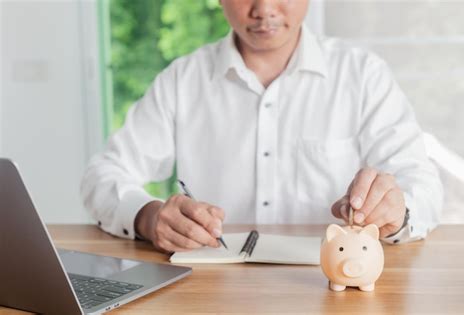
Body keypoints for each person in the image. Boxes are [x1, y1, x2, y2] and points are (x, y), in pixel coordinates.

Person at [81, 0, 443, 253]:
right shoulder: (183, 79)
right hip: (210, 290)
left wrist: (397, 211)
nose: (264, 9)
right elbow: (102, 175)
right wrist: (149, 217)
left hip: (332, 284)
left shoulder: (363, 75)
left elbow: (422, 185)